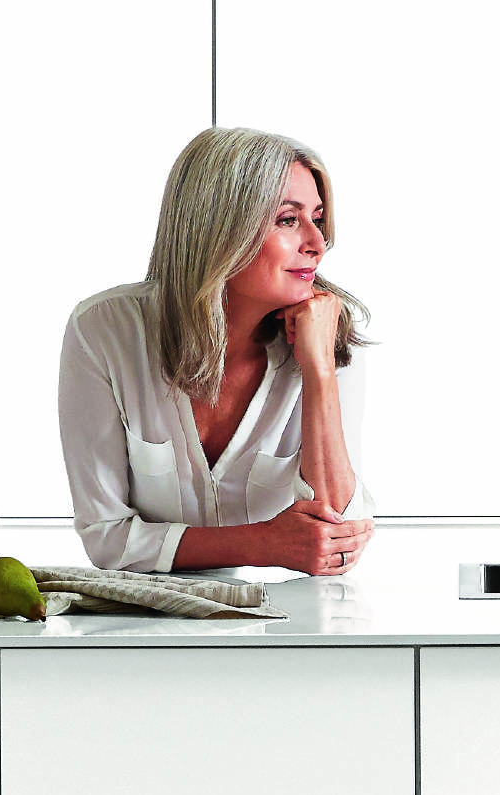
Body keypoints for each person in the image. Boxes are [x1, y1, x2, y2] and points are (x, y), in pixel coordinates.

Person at [56, 128, 373, 575]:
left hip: (293, 627)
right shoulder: (105, 331)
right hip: (146, 631)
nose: (317, 243)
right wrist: (264, 544)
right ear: (219, 228)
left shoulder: (328, 336)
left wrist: (319, 369)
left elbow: (339, 536)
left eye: (317, 219)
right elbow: (107, 537)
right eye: (288, 220)